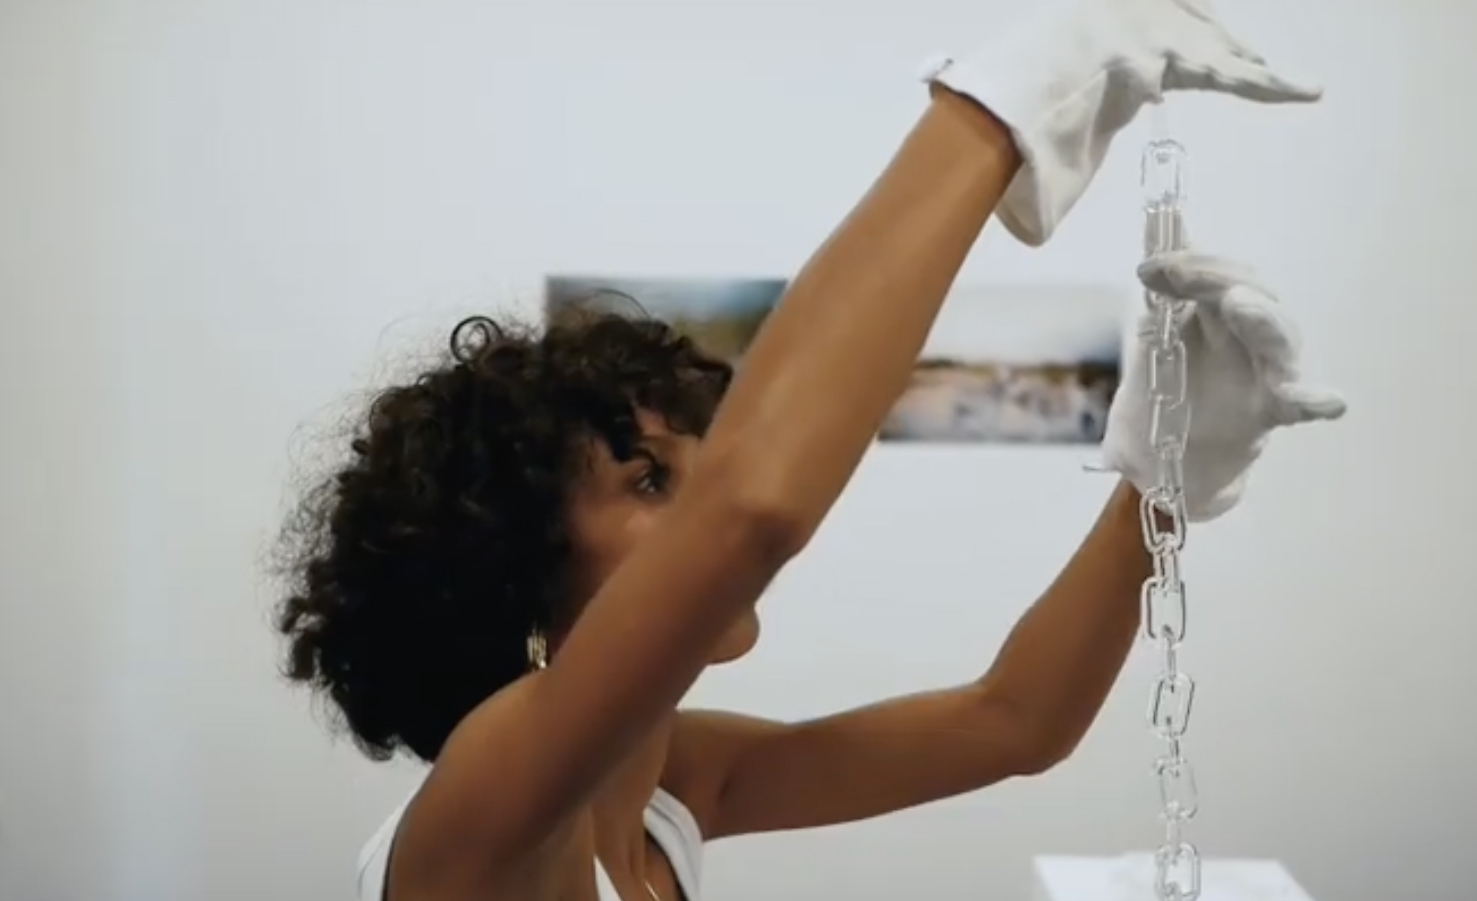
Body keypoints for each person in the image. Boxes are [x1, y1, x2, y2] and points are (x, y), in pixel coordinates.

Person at [272, 1, 1345, 899]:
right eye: (647, 481)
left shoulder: (674, 782)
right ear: (517, 570)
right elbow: (753, 511)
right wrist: (1005, 108)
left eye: (691, 467)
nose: (699, 505)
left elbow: (1014, 720)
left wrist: (1158, 485)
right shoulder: (483, 810)